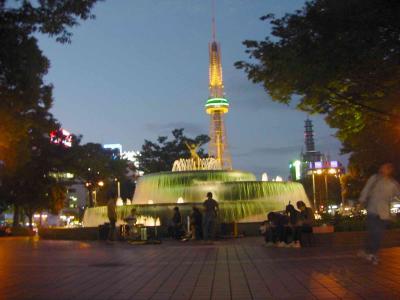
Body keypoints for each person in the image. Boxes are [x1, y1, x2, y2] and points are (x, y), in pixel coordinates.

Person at [358, 163, 400, 265]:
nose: (383, 169)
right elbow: (366, 190)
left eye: (386, 168)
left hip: (384, 214)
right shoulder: (374, 179)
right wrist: (361, 201)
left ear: (390, 171)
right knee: (373, 233)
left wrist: (395, 213)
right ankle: (370, 252)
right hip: (372, 210)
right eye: (383, 167)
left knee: (378, 235)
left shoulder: (393, 184)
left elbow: (396, 199)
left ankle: (372, 253)